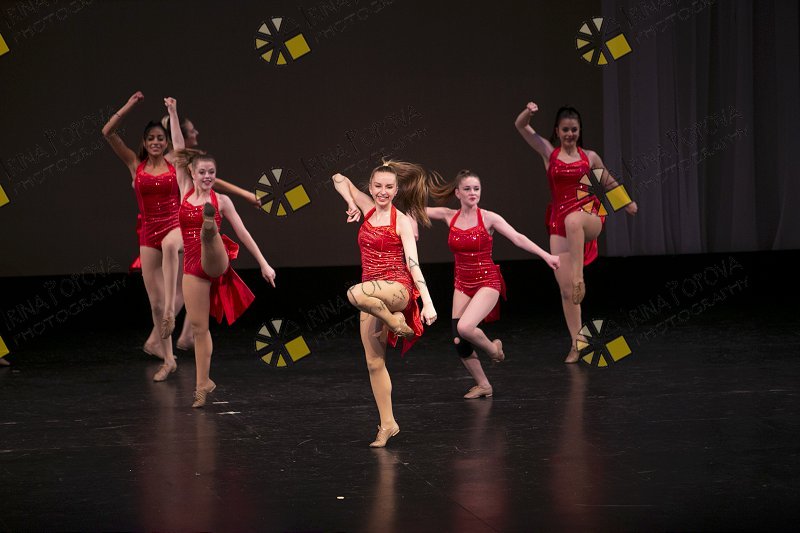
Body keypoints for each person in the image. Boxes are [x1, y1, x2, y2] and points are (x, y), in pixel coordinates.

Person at [167, 97, 276, 407]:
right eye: (202, 172)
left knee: (211, 234)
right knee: (199, 328)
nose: (207, 176)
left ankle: (209, 230)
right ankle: (203, 384)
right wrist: (173, 112)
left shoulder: (222, 200)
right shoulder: (184, 188)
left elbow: (243, 233)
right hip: (192, 266)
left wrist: (264, 264)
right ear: (191, 173)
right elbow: (179, 147)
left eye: (212, 172)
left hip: (217, 260)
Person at [514, 102, 637, 363]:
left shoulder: (589, 157)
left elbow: (607, 181)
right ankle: (576, 343)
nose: (570, 134)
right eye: (565, 130)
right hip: (559, 225)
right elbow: (521, 126)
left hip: (589, 217)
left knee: (573, 221)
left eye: (574, 130)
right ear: (557, 131)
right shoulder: (549, 153)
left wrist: (627, 203)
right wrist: (529, 112)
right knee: (567, 292)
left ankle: (580, 277)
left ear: (579, 131)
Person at [425, 169, 560, 398]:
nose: (473, 193)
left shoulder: (489, 218)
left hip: (487, 280)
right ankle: (484, 385)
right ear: (457, 193)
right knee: (459, 339)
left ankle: (494, 350)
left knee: (465, 328)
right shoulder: (449, 215)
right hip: (462, 283)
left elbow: (517, 237)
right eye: (467, 189)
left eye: (476, 188)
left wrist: (546, 256)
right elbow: (412, 211)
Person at [133, 113, 261, 354]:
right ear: (180, 135)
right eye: (191, 131)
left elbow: (212, 180)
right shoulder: (175, 159)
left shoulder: (190, 160)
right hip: (181, 224)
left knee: (195, 282)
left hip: (184, 223)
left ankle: (185, 335)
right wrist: (245, 194)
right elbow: (211, 180)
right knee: (187, 284)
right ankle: (160, 338)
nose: (196, 133)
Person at [332, 161, 438, 447]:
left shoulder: (402, 221)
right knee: (373, 362)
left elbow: (413, 264)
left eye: (389, 187)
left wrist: (427, 303)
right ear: (370, 187)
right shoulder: (366, 209)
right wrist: (350, 203)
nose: (383, 191)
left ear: (396, 190)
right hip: (371, 293)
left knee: (354, 293)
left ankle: (395, 320)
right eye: (378, 186)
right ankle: (388, 423)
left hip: (397, 289)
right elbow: (338, 177)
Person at [102, 91, 180, 381]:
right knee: (156, 303)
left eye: (160, 138)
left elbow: (181, 145)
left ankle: (175, 310)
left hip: (174, 227)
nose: (156, 142)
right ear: (145, 143)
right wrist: (130, 105)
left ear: (166, 142)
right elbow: (108, 133)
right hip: (149, 233)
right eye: (151, 139)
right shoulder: (136, 165)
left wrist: (172, 113)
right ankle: (168, 359)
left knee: (173, 255)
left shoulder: (174, 162)